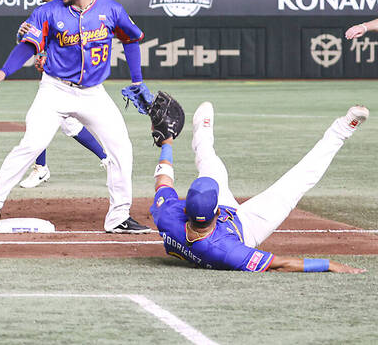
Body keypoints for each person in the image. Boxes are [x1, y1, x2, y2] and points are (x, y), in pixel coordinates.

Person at [0, 0, 152, 234]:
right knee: (32, 144)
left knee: (122, 148)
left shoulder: (110, 9)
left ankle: (119, 217)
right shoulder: (47, 12)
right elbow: (28, 45)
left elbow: (131, 39)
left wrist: (137, 80)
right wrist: (4, 70)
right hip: (55, 90)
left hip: (94, 94)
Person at [149, 101, 367, 274]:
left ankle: (202, 126)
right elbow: (280, 264)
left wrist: (167, 142)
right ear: (216, 210)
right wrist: (328, 264)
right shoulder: (226, 252)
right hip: (248, 228)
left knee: (207, 159)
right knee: (298, 181)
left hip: (211, 223)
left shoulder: (169, 215)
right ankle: (342, 129)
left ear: (185, 209)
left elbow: (163, 183)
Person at [15, 0, 111, 188]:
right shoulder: (41, 13)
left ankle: (106, 159)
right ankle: (41, 168)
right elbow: (26, 42)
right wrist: (23, 35)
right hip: (54, 83)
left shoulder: (76, 10)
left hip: (79, 83)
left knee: (72, 126)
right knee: (40, 124)